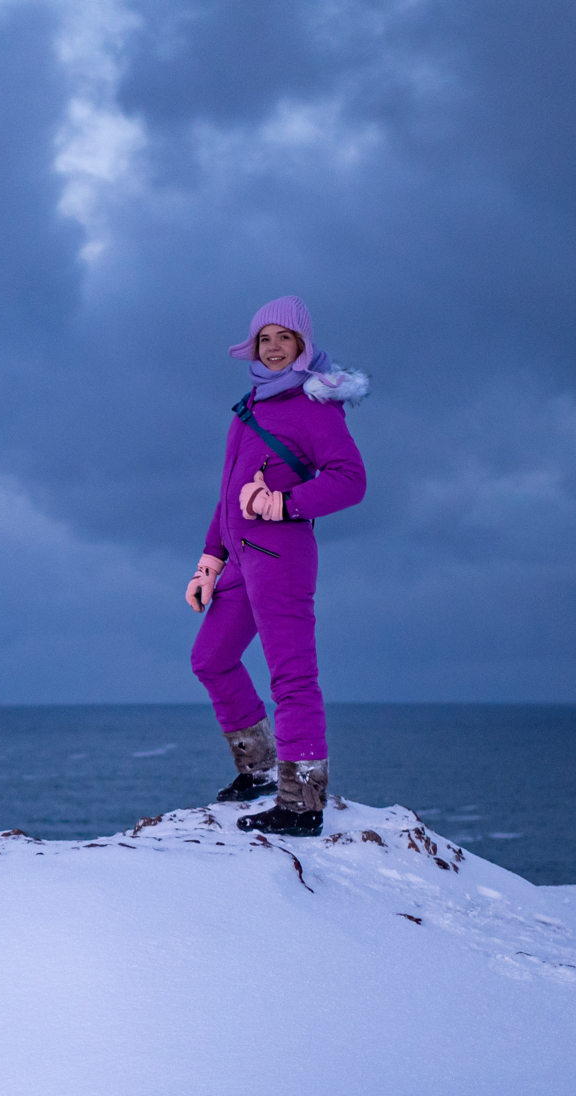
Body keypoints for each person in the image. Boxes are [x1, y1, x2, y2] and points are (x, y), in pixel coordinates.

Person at [186, 295, 368, 837]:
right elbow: (226, 495)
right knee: (211, 659)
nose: (272, 348)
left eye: (283, 339)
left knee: (292, 676)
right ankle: (261, 770)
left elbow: (350, 480)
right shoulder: (251, 408)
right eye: (264, 339)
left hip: (282, 558)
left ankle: (302, 800)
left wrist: (286, 504)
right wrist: (209, 561)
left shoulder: (314, 408)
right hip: (242, 560)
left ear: (302, 346)